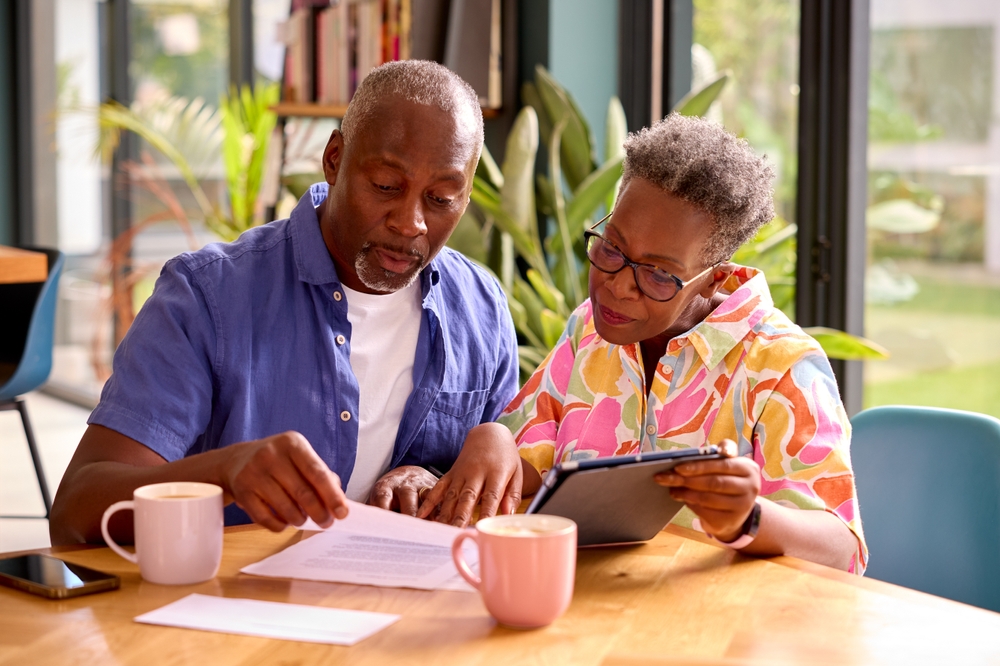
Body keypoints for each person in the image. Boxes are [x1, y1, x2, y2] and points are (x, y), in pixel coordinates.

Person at [49, 60, 519, 545]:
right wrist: (224, 472)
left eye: (441, 198)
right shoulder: (207, 298)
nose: (410, 222)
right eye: (385, 186)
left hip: (416, 610)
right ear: (334, 158)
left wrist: (452, 469)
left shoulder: (480, 306)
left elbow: (507, 484)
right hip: (230, 608)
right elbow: (76, 513)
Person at [420, 113, 867, 574]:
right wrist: (494, 438)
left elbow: (841, 549)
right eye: (612, 248)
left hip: (717, 625)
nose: (617, 286)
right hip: (594, 604)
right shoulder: (588, 331)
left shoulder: (782, 366)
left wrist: (748, 517)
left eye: (658, 274)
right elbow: (529, 458)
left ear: (714, 280)